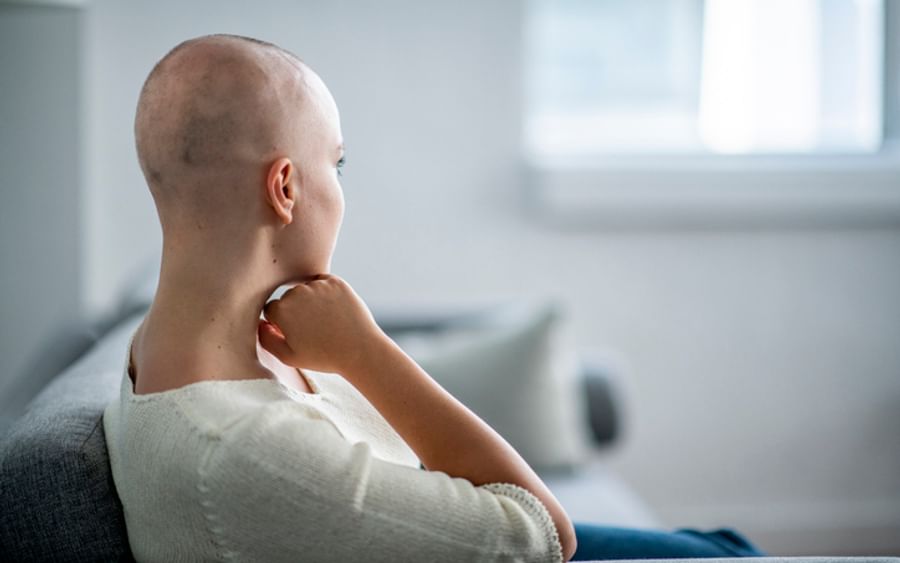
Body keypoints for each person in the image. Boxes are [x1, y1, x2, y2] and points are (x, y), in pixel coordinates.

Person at [102, 33, 764, 562]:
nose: (341, 187)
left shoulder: (172, 341)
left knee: (720, 544)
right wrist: (367, 353)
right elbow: (543, 534)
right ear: (285, 188)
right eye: (337, 163)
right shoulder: (247, 455)